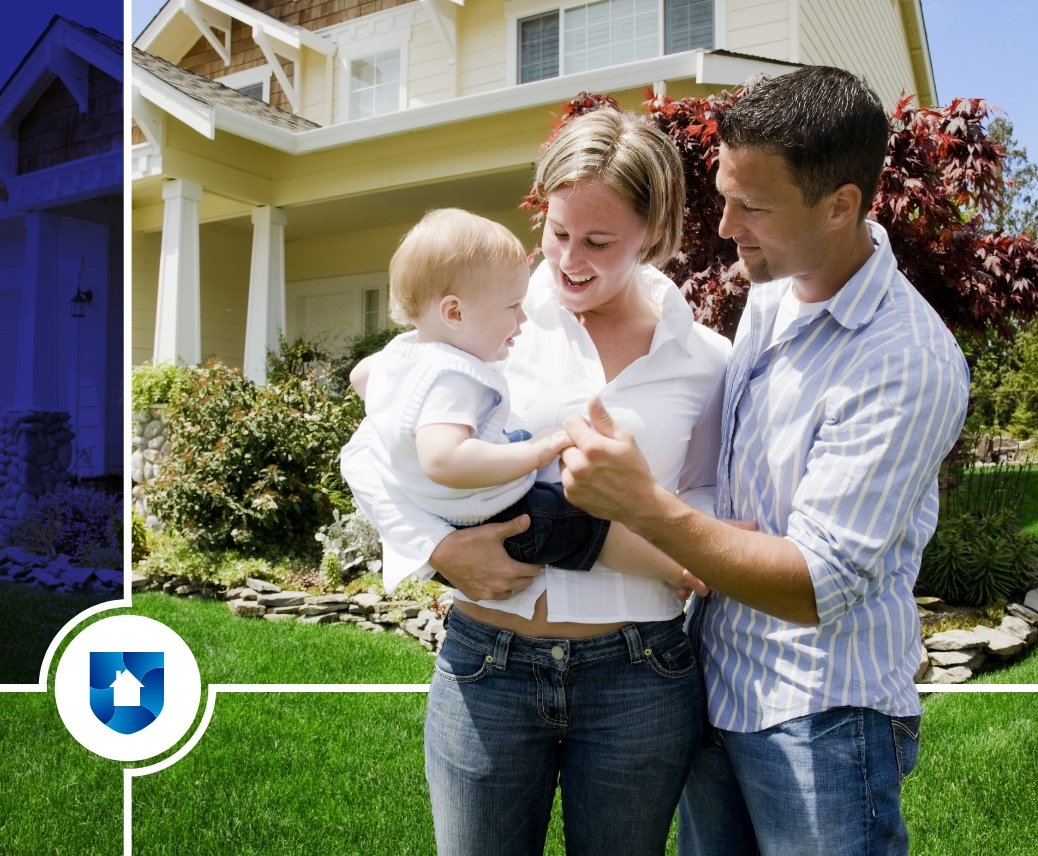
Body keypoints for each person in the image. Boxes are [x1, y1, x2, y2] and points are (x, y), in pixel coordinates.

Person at [558, 66, 971, 855]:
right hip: (721, 690)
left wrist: (641, 504)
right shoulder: (775, 293)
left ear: (841, 205)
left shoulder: (904, 360)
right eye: (724, 192)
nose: (725, 226)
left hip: (824, 716)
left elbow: (821, 582)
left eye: (753, 206)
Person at [340, 109, 730, 855]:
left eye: (599, 242)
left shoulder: (705, 359)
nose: (568, 260)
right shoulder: (490, 313)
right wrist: (437, 550)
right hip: (490, 662)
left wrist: (683, 550)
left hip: (640, 676)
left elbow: (709, 497)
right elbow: (375, 449)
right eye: (557, 233)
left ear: (653, 232)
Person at [347, 206, 696, 588]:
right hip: (490, 516)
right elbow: (444, 460)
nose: (523, 318)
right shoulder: (453, 377)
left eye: (597, 241)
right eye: (513, 307)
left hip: (447, 512)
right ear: (454, 312)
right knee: (584, 525)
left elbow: (361, 377)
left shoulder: (401, 355)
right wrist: (537, 452)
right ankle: (679, 569)